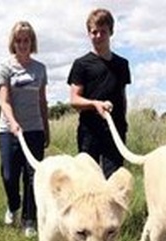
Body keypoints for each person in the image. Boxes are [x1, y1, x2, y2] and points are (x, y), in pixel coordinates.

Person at [0, 20, 49, 238]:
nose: (23, 44)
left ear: (32, 42)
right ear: (13, 43)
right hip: (9, 130)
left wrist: (46, 127)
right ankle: (13, 204)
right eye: (19, 40)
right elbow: (4, 101)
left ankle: (29, 219)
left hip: (34, 129)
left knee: (32, 176)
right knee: (9, 175)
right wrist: (13, 122)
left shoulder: (40, 69)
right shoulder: (5, 68)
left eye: (26, 40)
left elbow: (42, 100)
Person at [67, 8, 131, 178]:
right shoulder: (81, 64)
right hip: (89, 132)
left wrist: (122, 124)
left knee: (113, 179)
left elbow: (122, 97)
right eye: (94, 32)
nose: (98, 36)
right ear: (88, 33)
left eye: (103, 32)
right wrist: (95, 104)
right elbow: (74, 100)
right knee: (88, 181)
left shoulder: (122, 64)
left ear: (111, 32)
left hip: (115, 130)